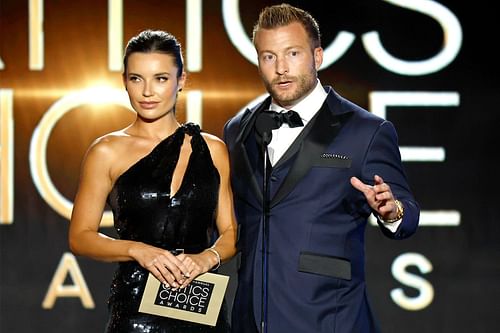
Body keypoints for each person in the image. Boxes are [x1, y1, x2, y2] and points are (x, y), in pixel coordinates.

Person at [223, 3, 420, 333]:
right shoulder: (237, 129)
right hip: (248, 320)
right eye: (268, 57)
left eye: (293, 54)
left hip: (329, 319)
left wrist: (391, 211)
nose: (281, 68)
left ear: (317, 56)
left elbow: (407, 216)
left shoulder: (366, 131)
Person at [69, 29, 237, 332]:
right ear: (124, 81)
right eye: (136, 78)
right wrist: (137, 250)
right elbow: (80, 236)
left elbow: (230, 233)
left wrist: (206, 258)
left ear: (181, 80)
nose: (147, 92)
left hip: (200, 308)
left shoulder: (213, 150)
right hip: (135, 312)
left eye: (160, 78)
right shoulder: (106, 151)